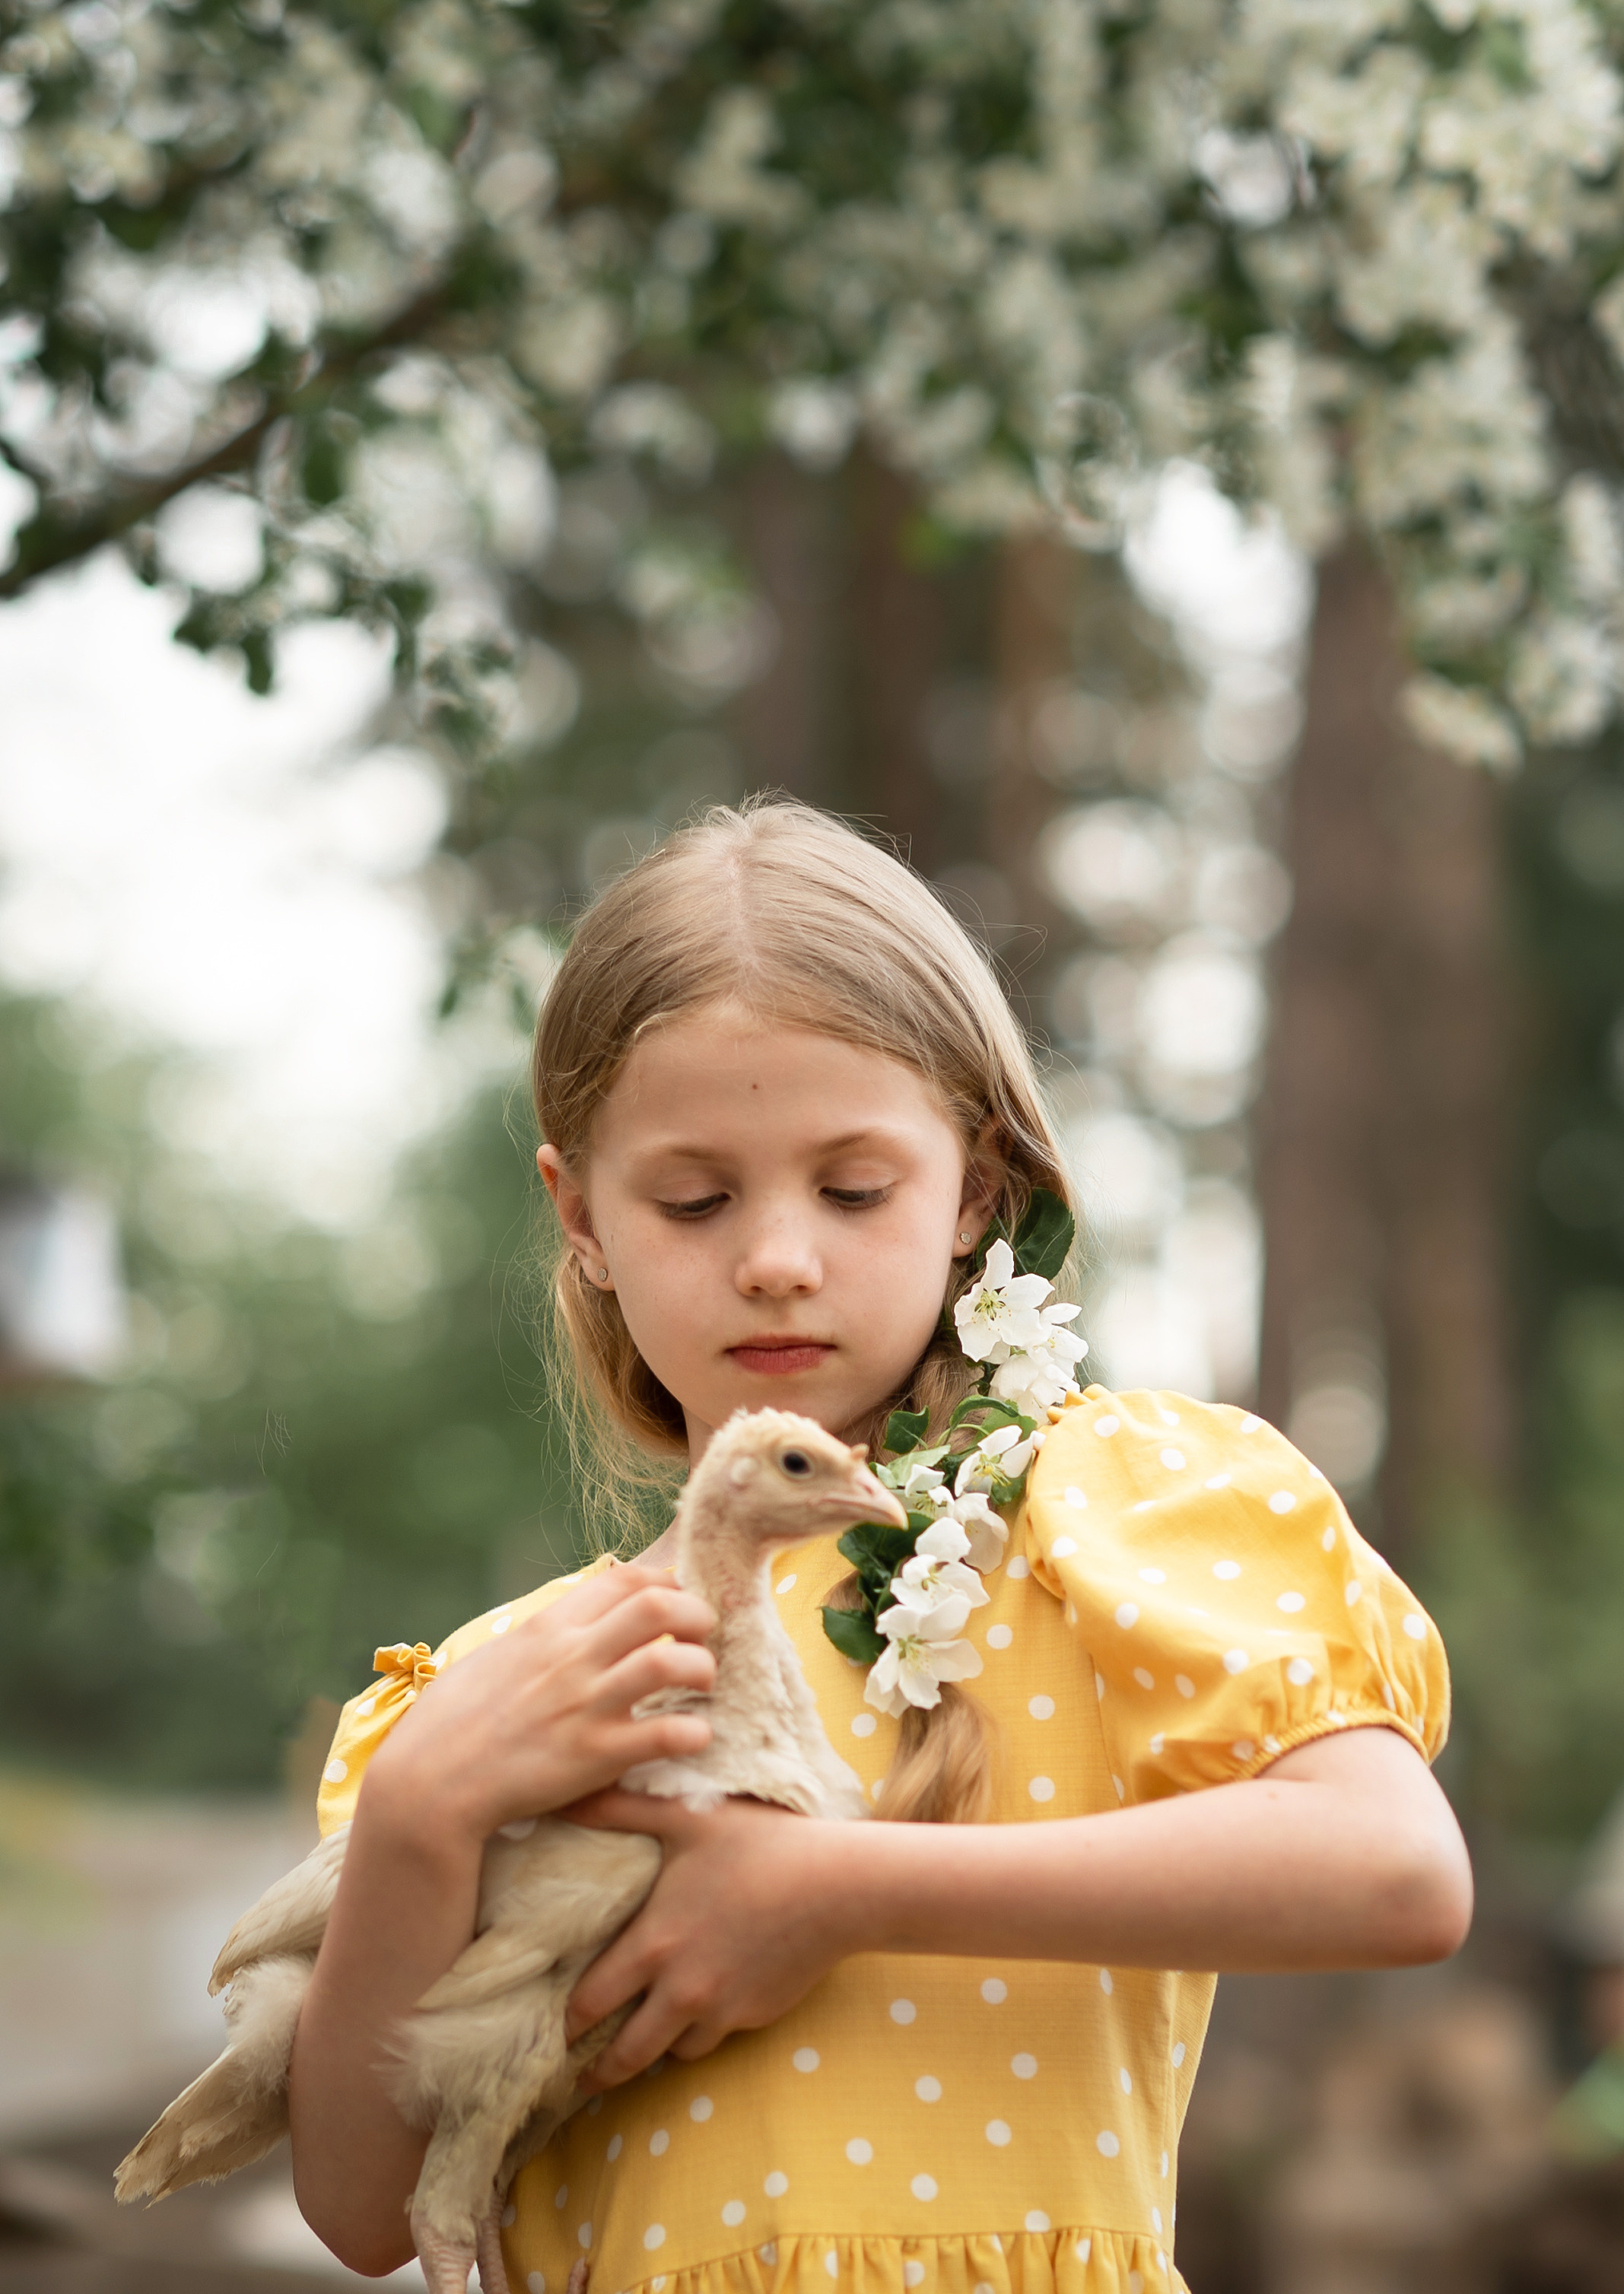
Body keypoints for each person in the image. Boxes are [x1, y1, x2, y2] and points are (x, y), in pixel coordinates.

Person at [288, 798, 1472, 2292]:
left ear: (973, 1189)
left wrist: (840, 1889)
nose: (778, 1253)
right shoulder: (509, 1685)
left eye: (855, 1187)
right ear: (578, 1213)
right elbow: (359, 2204)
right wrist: (415, 1817)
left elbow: (1394, 1868)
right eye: (693, 1195)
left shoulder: (1103, 1512)